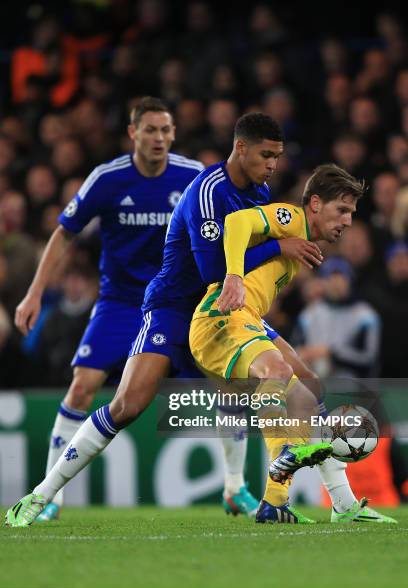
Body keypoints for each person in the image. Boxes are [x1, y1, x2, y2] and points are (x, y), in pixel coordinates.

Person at [4, 112, 336, 528]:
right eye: (266, 155)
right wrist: (279, 248)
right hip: (174, 308)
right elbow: (215, 269)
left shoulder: (260, 191)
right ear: (241, 148)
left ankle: (311, 499)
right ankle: (41, 495)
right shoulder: (208, 192)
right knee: (127, 405)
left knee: (296, 382)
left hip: (220, 311)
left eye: (277, 157)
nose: (272, 165)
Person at [13, 96, 204, 521]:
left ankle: (234, 489)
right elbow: (64, 233)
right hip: (120, 302)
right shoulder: (107, 178)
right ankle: (50, 499)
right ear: (133, 133)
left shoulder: (192, 177)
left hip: (175, 302)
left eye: (166, 130)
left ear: (174, 134)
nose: (159, 138)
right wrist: (35, 292)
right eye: (151, 130)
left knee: (225, 386)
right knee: (82, 387)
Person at [190, 162, 396, 524]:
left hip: (249, 319)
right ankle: (285, 449)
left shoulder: (303, 244)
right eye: (342, 210)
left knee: (308, 386)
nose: (347, 222)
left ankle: (296, 503)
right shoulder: (290, 217)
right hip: (221, 317)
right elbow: (237, 223)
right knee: (277, 370)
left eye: (351, 213)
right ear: (315, 203)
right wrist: (235, 277)